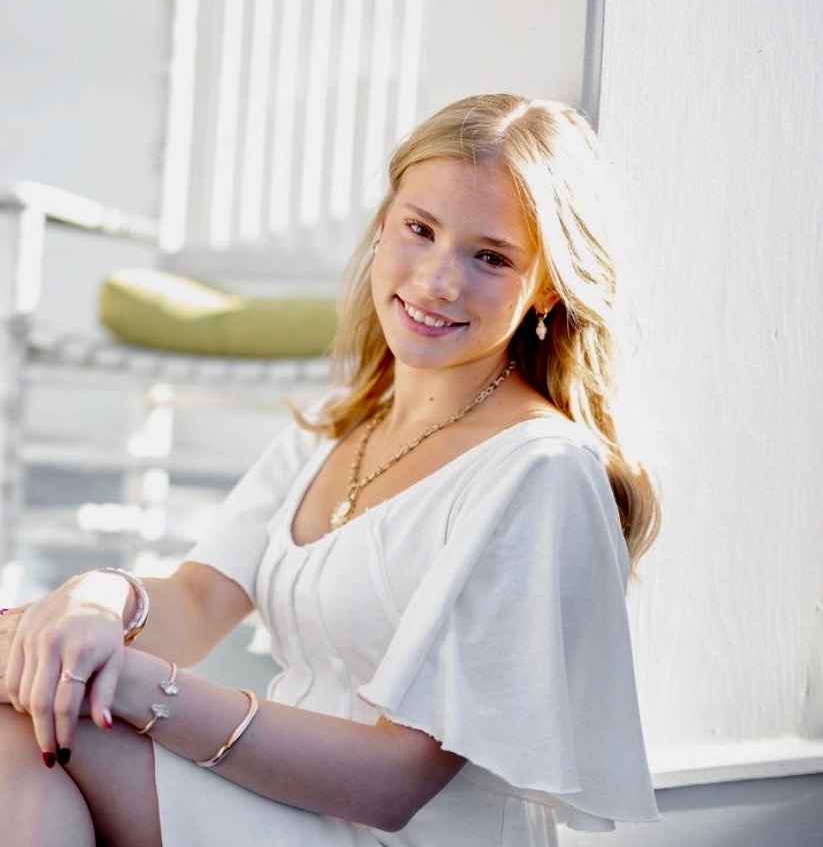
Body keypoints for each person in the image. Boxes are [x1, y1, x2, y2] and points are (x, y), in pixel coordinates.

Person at [0, 93, 661, 846]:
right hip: (280, 804)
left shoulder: (538, 471)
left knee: (52, 721)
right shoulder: (339, 431)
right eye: (420, 230)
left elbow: (394, 784)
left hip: (396, 833)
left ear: (545, 285)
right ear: (384, 227)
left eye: (490, 257)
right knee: (26, 709)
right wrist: (93, 598)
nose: (439, 280)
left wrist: (127, 682)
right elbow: (195, 599)